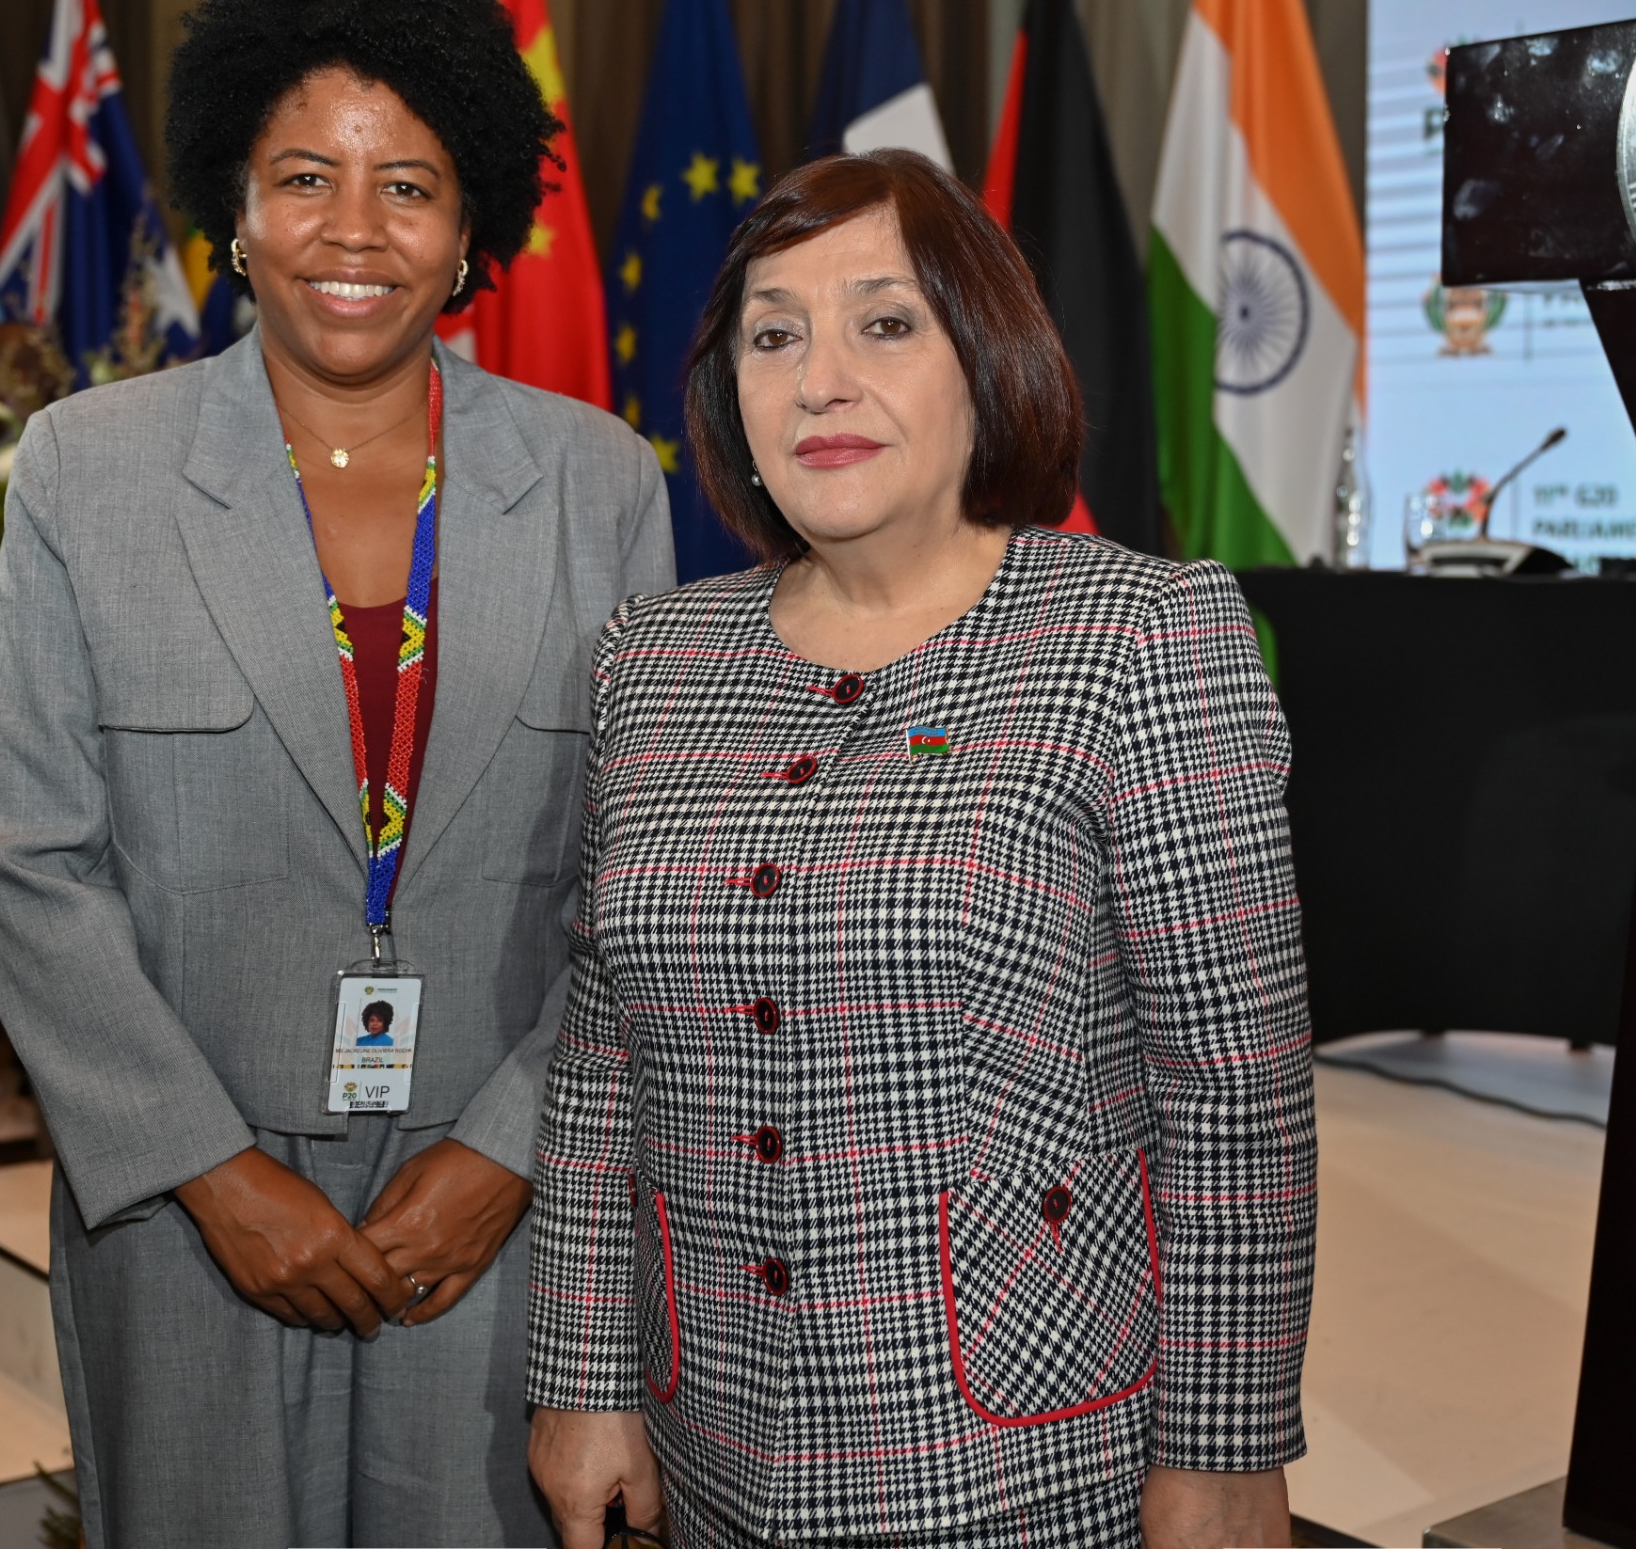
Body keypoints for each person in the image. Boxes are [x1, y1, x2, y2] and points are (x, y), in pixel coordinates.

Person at [0, 0, 672, 1548]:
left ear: (470, 225)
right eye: (304, 179)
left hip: (501, 1208)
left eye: (407, 186)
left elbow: (643, 871)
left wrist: (509, 1149)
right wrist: (211, 1169)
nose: (354, 230)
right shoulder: (85, 470)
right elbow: (21, 852)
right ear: (236, 207)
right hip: (184, 1211)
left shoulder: (600, 483)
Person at [526, 152, 1318, 1549]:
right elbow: (602, 1066)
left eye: (885, 323)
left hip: (1023, 1457)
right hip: (709, 1440)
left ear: (984, 358)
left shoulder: (1143, 638)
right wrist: (583, 1377)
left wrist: (1225, 1443)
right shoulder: (650, 658)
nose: (820, 381)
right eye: (775, 335)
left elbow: (1233, 1089)